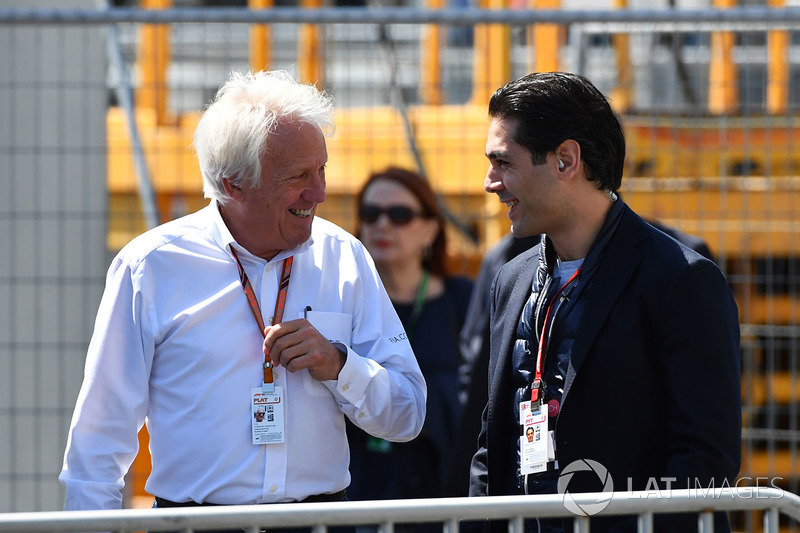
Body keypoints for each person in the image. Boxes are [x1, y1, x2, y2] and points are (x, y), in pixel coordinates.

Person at [59, 70, 427, 520]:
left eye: (322, 170)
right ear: (233, 184)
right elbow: (98, 440)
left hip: (318, 523)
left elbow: (407, 416)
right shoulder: (150, 266)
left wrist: (339, 365)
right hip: (193, 523)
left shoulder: (345, 256)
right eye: (298, 177)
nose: (320, 193)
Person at [469, 72, 741, 533]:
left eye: (504, 163)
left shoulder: (681, 279)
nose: (490, 182)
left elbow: (704, 461)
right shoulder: (510, 280)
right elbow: (490, 450)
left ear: (566, 160)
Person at [346, 167, 473, 520]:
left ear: (431, 228)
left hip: (443, 493)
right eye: (371, 214)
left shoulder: (463, 300)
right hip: (362, 496)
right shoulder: (345, 304)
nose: (382, 225)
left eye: (400, 215)